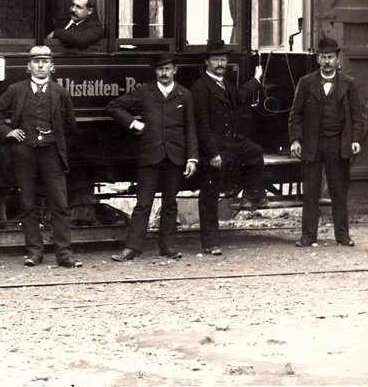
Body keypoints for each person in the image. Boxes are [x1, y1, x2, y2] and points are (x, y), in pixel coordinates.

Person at [0, 45, 82, 268]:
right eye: (36, 61)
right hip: (24, 153)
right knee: (27, 203)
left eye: (45, 61)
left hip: (51, 154)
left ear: (52, 66)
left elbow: (70, 125)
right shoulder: (16, 90)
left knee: (59, 204)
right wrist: (8, 132)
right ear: (28, 67)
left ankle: (64, 254)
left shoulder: (61, 93)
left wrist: (55, 141)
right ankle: (34, 253)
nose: (40, 65)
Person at [106, 53, 198, 261]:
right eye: (160, 69)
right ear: (155, 71)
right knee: (143, 204)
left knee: (170, 204)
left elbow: (190, 129)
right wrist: (134, 123)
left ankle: (167, 247)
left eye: (168, 69)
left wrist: (192, 158)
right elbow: (114, 106)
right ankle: (132, 248)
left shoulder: (184, 95)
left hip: (175, 157)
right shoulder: (144, 91)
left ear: (175, 70)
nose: (164, 73)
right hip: (150, 156)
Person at [190, 39, 267, 256]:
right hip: (213, 149)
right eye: (216, 60)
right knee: (209, 196)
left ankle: (251, 194)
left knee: (254, 152)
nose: (220, 63)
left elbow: (240, 96)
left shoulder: (223, 83)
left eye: (223, 59)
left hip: (230, 142)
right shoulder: (200, 88)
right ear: (207, 62)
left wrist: (256, 80)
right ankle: (210, 243)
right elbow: (202, 125)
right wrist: (212, 153)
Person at [288, 37, 364, 248]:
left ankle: (342, 235)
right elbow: (296, 114)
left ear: (337, 58)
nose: (327, 61)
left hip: (338, 144)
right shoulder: (306, 83)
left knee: (339, 191)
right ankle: (308, 236)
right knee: (310, 191)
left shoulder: (348, 83)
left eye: (331, 57)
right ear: (318, 59)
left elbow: (358, 116)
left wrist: (356, 139)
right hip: (312, 145)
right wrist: (295, 140)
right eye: (323, 57)